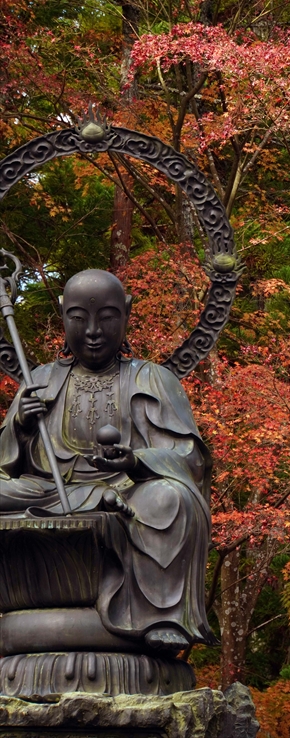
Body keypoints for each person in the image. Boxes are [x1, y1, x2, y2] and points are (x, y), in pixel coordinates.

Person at [0, 269, 214, 654]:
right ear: (63, 316)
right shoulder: (40, 380)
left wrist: (135, 461)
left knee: (170, 498)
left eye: (108, 317)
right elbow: (6, 464)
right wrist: (21, 425)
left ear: (127, 314)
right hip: (51, 490)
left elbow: (189, 459)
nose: (93, 331)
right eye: (79, 319)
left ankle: (159, 616)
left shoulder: (153, 379)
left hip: (127, 492)